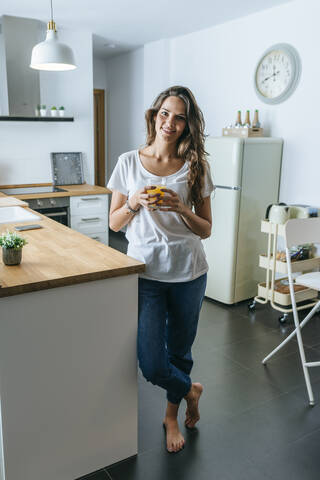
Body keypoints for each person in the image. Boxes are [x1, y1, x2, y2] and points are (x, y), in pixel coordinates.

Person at [107, 85, 214, 453]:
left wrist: (182, 209)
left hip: (189, 274)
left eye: (180, 116)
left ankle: (171, 416)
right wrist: (134, 202)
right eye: (165, 113)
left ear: (187, 124)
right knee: (152, 363)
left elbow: (206, 229)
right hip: (147, 275)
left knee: (180, 352)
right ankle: (190, 389)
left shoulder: (195, 166)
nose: (170, 122)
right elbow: (115, 224)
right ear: (154, 116)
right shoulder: (127, 162)